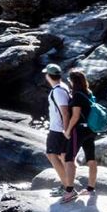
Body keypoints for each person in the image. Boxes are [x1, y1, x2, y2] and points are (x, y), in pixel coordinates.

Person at [64, 69, 99, 200]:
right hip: (91, 130)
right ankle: (90, 189)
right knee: (91, 159)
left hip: (79, 130)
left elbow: (75, 116)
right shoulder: (89, 93)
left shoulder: (77, 95)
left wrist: (67, 131)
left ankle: (70, 190)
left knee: (69, 158)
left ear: (73, 81)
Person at [42, 63, 74, 198]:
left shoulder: (58, 91)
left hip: (58, 130)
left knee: (51, 155)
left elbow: (65, 113)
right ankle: (67, 186)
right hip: (60, 129)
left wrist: (66, 131)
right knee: (62, 156)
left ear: (49, 76)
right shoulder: (63, 87)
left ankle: (68, 188)